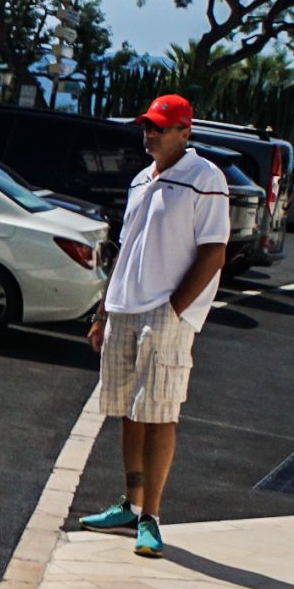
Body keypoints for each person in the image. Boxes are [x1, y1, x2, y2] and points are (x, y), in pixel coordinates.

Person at [78, 94, 230, 558]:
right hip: (125, 307)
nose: (151, 133)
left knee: (160, 412)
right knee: (130, 407)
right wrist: (104, 311)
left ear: (186, 132)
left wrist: (176, 309)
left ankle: (151, 517)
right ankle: (130, 503)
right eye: (147, 125)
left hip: (165, 312)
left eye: (161, 127)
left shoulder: (206, 178)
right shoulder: (142, 179)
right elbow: (126, 250)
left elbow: (214, 251)